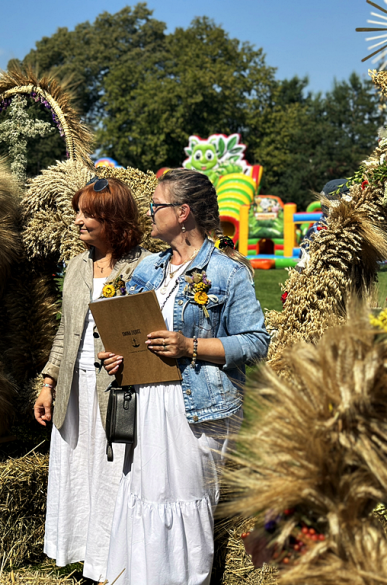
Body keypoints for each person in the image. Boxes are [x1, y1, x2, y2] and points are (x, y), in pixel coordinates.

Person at [99, 168, 270, 585]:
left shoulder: (229, 272)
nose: (150, 213)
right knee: (145, 496)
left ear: (183, 212)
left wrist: (189, 347)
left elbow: (256, 342)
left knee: (186, 504)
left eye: (156, 205)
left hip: (198, 406)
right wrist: (116, 357)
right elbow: (129, 330)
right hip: (148, 400)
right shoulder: (148, 269)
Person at [34, 177, 150, 582]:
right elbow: (65, 331)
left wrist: (131, 361)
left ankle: (111, 565)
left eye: (87, 214)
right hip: (74, 387)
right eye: (78, 211)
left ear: (113, 219)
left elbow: (149, 334)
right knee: (77, 473)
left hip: (116, 391)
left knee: (111, 476)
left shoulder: (143, 266)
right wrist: (48, 382)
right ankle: (87, 558)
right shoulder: (79, 264)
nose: (78, 220)